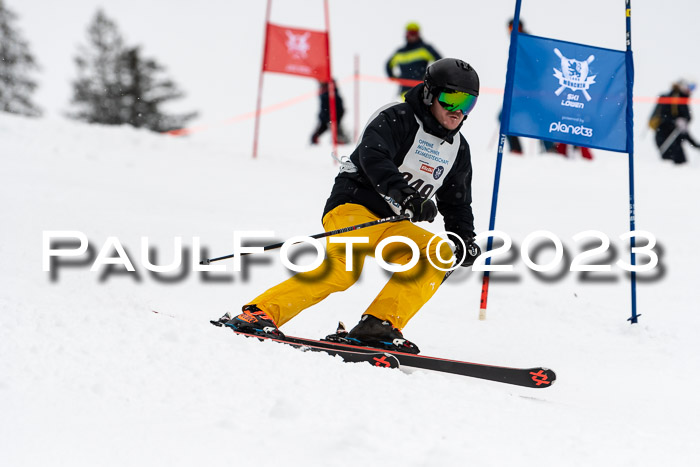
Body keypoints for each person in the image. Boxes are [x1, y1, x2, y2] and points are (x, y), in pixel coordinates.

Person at [224, 58, 482, 354]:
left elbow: (457, 200)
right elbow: (375, 158)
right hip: (353, 205)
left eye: (468, 103)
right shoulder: (397, 117)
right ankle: (260, 313)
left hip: (392, 223)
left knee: (439, 254)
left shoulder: (457, 149)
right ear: (428, 93)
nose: (458, 111)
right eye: (451, 99)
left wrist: (464, 239)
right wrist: (405, 194)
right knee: (342, 271)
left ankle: (378, 325)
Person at [650, 79, 700, 164]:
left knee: (681, 165)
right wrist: (675, 121)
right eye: (690, 87)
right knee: (675, 166)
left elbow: (684, 131)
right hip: (666, 141)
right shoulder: (671, 98)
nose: (690, 91)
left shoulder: (682, 101)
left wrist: (696, 145)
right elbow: (664, 116)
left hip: (673, 140)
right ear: (683, 86)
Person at [386, 22, 442, 98]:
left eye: (414, 33)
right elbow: (388, 65)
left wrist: (432, 77)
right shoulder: (400, 52)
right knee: (408, 108)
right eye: (410, 33)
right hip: (405, 89)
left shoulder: (424, 48)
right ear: (406, 34)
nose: (412, 36)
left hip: (421, 88)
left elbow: (440, 62)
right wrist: (393, 77)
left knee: (422, 108)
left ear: (418, 34)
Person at [311, 79, 349, 145]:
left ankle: (340, 142)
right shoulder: (323, 90)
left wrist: (330, 116)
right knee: (318, 134)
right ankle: (315, 142)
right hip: (326, 115)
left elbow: (337, 106)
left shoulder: (330, 90)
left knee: (336, 131)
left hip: (334, 115)